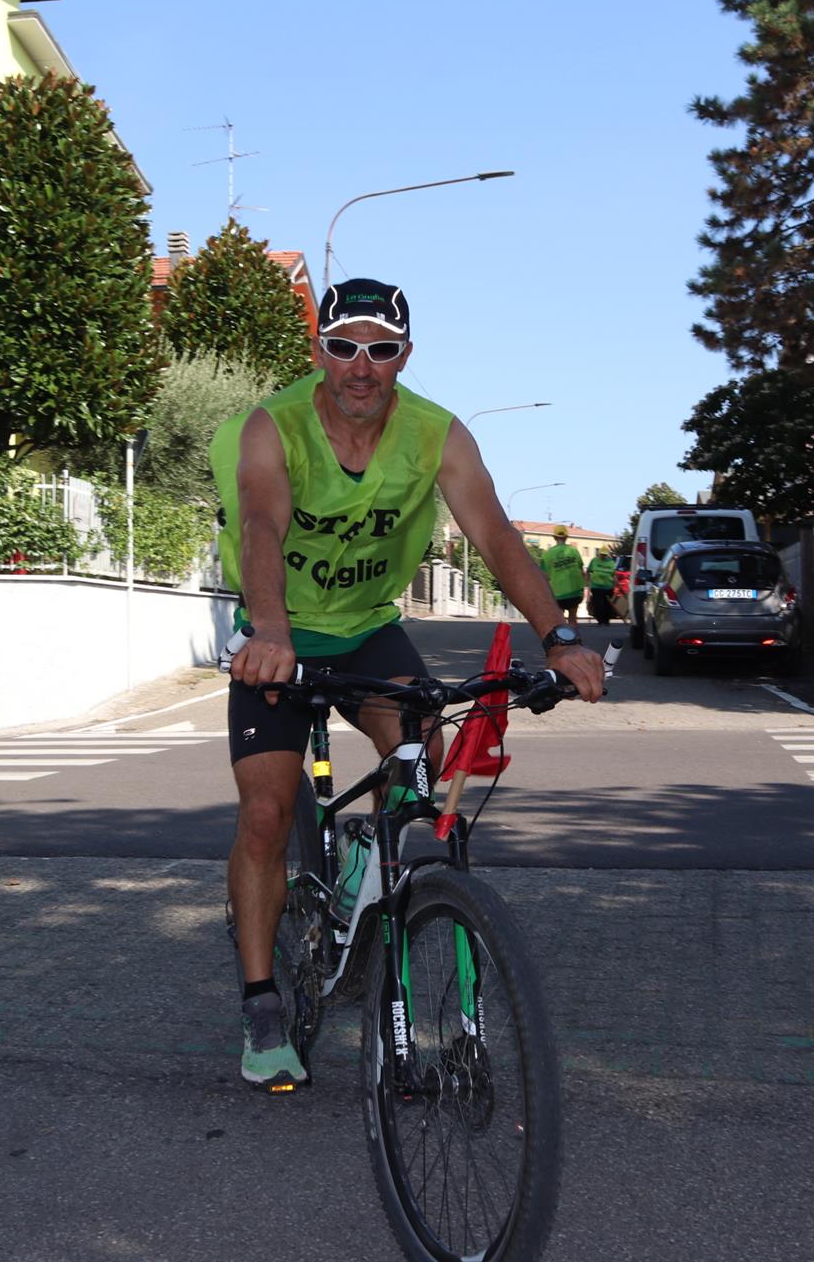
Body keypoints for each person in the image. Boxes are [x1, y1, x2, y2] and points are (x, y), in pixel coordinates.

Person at [209, 279, 607, 1090]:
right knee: (264, 811)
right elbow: (261, 521)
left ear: (405, 358)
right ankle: (261, 1006)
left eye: (381, 350)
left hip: (365, 625)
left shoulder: (437, 435)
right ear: (318, 349)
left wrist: (559, 638)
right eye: (343, 346)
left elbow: (493, 531)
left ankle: (404, 926)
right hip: (282, 630)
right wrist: (273, 632)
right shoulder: (271, 425)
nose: (361, 366)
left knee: (431, 779)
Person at [539, 525, 585, 626]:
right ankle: (575, 640)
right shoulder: (574, 551)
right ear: (566, 537)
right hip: (575, 591)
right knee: (573, 620)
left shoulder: (547, 554)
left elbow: (543, 576)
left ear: (554, 537)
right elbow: (581, 570)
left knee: (559, 622)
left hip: (558, 594)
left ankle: (563, 640)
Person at [585, 548, 618, 627]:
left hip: (608, 586)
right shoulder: (594, 561)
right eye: (602, 554)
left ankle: (606, 621)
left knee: (607, 604)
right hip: (596, 586)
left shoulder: (611, 562)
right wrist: (587, 582)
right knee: (598, 604)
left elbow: (614, 574)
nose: (603, 556)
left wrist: (615, 585)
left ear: (607, 555)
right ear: (599, 554)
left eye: (605, 555)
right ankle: (600, 621)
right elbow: (588, 571)